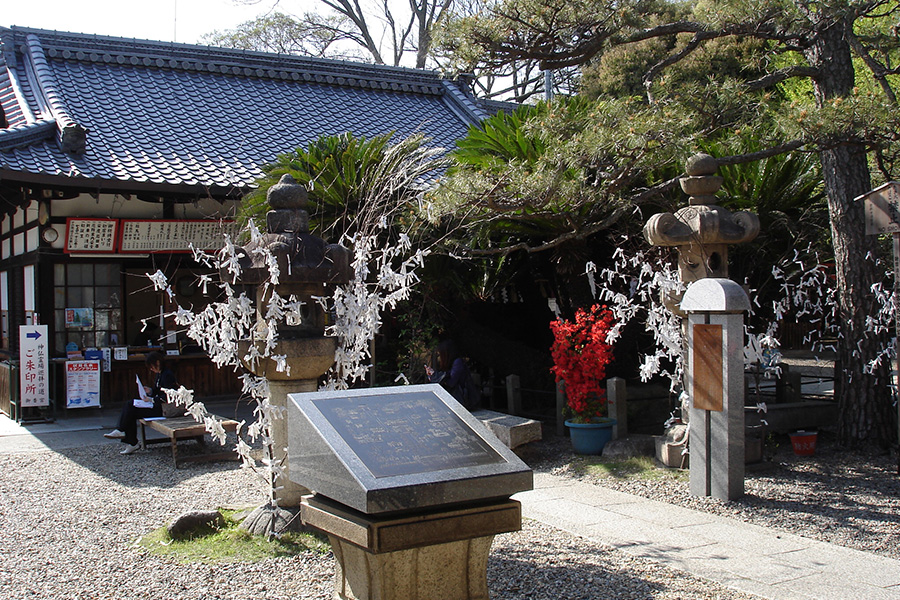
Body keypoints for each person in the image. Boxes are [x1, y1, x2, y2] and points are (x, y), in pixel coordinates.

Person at [104, 352, 177, 454]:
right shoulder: (160, 374)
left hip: (164, 408)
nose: (151, 369)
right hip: (158, 405)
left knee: (131, 407)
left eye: (151, 366)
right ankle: (129, 440)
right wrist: (150, 391)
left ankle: (128, 438)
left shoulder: (167, 375)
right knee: (130, 406)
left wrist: (151, 400)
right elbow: (158, 390)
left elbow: (169, 396)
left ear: (157, 362)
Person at [425, 340, 480, 410]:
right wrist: (431, 376)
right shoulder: (449, 364)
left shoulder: (458, 362)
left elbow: (451, 382)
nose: (439, 357)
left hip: (462, 399)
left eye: (440, 354)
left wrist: (435, 375)